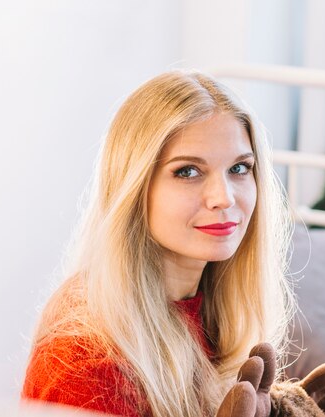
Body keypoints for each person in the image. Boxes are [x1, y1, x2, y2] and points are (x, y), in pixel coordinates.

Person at [21, 70, 296, 417]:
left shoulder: (213, 306)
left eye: (240, 168)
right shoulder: (88, 364)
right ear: (134, 188)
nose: (223, 198)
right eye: (187, 172)